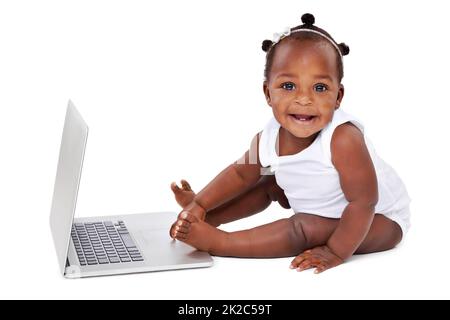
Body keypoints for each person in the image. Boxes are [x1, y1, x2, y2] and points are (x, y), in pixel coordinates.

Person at [169, 13, 411, 273]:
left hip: (378, 221)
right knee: (267, 184)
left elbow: (363, 203)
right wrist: (201, 202)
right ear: (267, 93)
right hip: (326, 204)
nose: (304, 99)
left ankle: (221, 242)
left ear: (338, 96)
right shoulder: (267, 137)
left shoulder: (343, 139)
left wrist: (336, 251)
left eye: (319, 88)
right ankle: (210, 217)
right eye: (288, 86)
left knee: (305, 227)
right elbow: (240, 174)